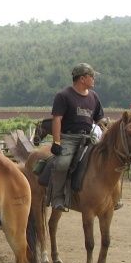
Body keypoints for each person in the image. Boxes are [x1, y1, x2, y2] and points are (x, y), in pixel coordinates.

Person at [49, 62, 105, 211]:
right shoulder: (64, 95)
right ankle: (58, 198)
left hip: (89, 138)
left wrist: (106, 127)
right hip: (70, 139)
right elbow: (57, 119)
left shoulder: (94, 96)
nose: (94, 80)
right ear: (82, 78)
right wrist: (56, 142)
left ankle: (111, 198)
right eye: (92, 77)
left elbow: (99, 119)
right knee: (61, 164)